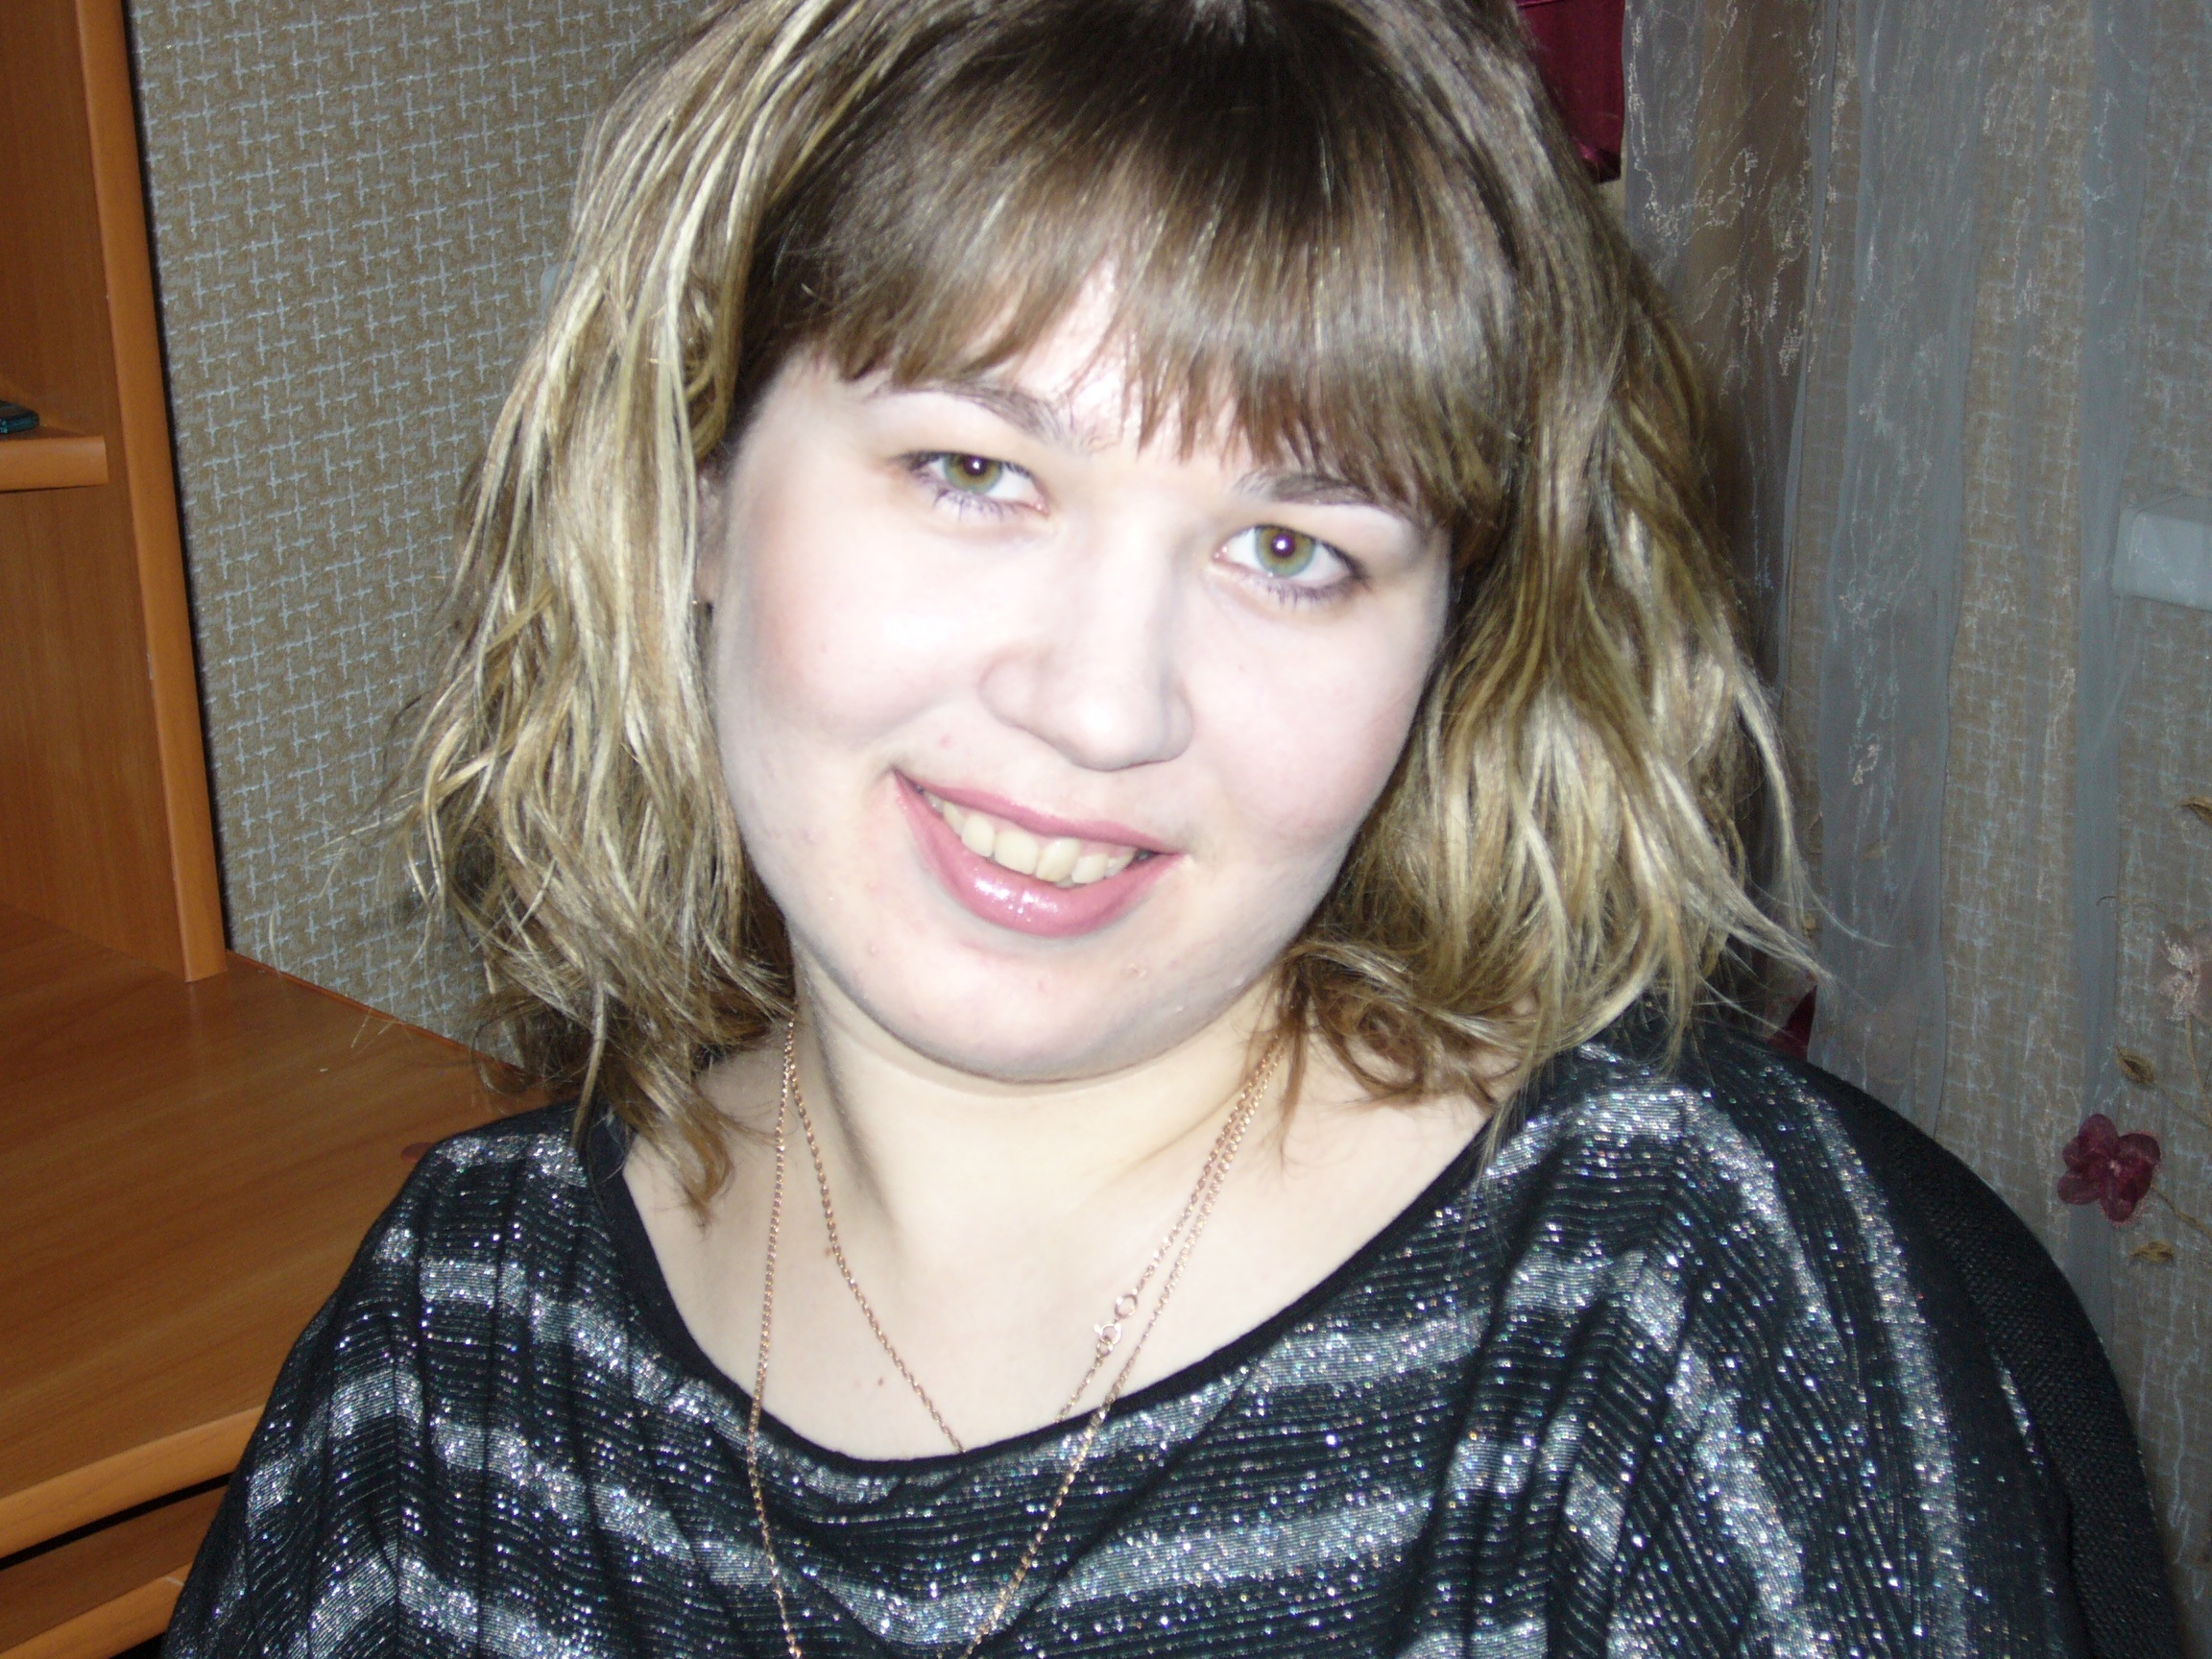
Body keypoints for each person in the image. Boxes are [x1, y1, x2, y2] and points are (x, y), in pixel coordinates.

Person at [164, 0, 2096, 1653]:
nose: (1102, 708)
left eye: (1291, 550)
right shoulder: (452, 1357)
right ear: (695, 487)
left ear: (1451, 646)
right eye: (972, 469)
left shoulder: (1657, 1318)